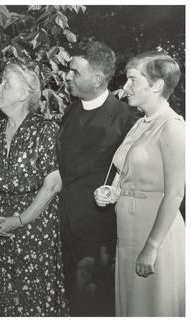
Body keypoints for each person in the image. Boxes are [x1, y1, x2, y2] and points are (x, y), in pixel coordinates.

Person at [94, 50, 185, 316]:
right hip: (129, 232)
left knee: (155, 308)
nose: (125, 86)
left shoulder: (173, 127)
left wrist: (152, 246)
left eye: (133, 79)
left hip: (156, 234)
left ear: (156, 85)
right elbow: (128, 173)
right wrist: (112, 191)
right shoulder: (140, 123)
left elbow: (176, 192)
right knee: (133, 307)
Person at [0, 63, 69, 317]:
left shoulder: (45, 130)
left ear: (23, 94)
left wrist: (19, 220)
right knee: (1, 298)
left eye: (5, 84)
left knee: (32, 301)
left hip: (33, 231)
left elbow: (53, 184)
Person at [57, 40, 138, 316]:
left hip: (98, 233)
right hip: (64, 225)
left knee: (96, 306)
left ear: (98, 79)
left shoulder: (127, 120)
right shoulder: (69, 112)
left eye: (75, 72)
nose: (67, 76)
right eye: (69, 70)